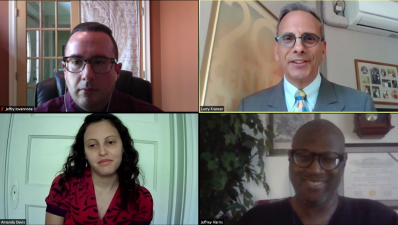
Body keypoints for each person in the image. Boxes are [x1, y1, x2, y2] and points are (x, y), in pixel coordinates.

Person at [237, 119, 398, 225]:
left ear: (343, 162)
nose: (315, 169)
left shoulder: (379, 218)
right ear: (290, 158)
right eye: (303, 156)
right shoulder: (257, 220)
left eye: (329, 158)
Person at [238, 2, 376, 112]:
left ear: (323, 50)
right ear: (276, 50)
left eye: (309, 38)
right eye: (288, 38)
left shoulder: (361, 104)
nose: (298, 48)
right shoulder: (248, 107)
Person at [45, 113, 153, 224]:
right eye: (92, 145)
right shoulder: (64, 184)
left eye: (110, 142)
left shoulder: (142, 198)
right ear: (85, 153)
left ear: (123, 147)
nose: (102, 152)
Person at [35, 22, 163, 112]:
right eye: (76, 62)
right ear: (65, 70)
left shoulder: (152, 116)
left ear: (117, 71)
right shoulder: (36, 121)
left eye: (100, 62)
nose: (87, 75)